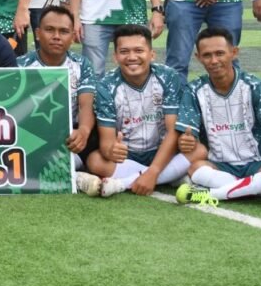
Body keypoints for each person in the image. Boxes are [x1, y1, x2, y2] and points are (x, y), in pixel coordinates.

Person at [174, 27, 261, 205]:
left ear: (234, 52)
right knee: (196, 169)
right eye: (207, 55)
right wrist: (186, 140)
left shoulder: (255, 86)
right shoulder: (193, 90)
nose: (214, 60)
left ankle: (212, 194)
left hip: (258, 163)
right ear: (198, 57)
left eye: (220, 53)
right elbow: (188, 136)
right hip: (219, 165)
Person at [81, 24, 188, 198]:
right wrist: (111, 151)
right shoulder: (105, 86)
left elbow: (172, 131)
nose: (132, 57)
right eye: (124, 52)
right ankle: (170, 175)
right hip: (127, 156)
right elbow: (107, 143)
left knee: (198, 150)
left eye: (139, 50)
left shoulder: (168, 76)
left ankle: (126, 182)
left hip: (162, 151)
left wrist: (153, 171)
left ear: (152, 54)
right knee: (95, 161)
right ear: (115, 56)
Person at [17, 5, 98, 187]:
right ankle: (75, 175)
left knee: (95, 137)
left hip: (69, 134)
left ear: (72, 36)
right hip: (33, 134)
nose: (56, 36)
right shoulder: (21, 65)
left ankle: (68, 167)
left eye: (63, 31)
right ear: (38, 33)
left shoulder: (81, 65)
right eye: (49, 30)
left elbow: (86, 104)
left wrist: (83, 131)